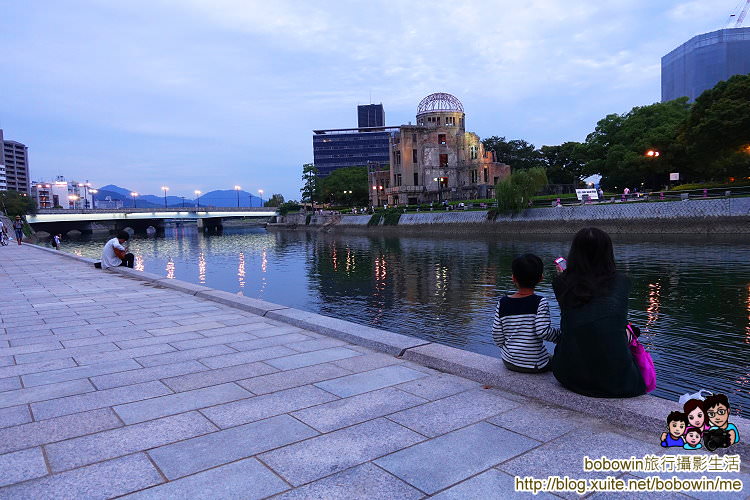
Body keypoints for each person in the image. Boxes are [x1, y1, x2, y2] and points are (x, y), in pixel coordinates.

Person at [551, 227, 646, 397]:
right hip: (619, 382)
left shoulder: (560, 283)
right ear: (608, 252)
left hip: (569, 374)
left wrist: (565, 276)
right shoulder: (623, 282)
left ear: (575, 253)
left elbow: (579, 308)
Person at [492, 254, 560, 373]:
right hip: (535, 364)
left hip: (508, 361)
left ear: (513, 278)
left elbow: (497, 335)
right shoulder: (540, 302)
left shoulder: (502, 302)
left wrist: (511, 349)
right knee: (557, 360)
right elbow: (542, 331)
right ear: (541, 278)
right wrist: (560, 336)